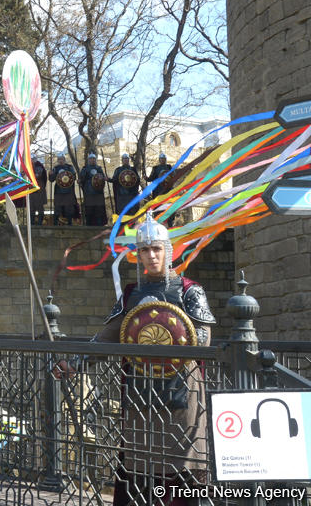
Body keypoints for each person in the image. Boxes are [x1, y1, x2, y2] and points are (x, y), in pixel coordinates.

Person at [58, 214, 215, 505]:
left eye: (157, 249)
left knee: (183, 467)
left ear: (168, 251)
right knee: (141, 465)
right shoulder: (131, 293)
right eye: (145, 250)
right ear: (138, 255)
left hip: (182, 392)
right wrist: (76, 363)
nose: (152, 255)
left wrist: (174, 347)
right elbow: (107, 337)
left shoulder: (190, 290)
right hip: (141, 393)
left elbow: (204, 336)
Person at [79, 153, 107, 226]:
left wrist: (105, 178)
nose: (92, 160)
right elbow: (82, 178)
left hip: (98, 192)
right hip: (89, 193)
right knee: (89, 210)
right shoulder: (85, 168)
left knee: (99, 210)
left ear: (96, 160)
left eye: (94, 159)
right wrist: (80, 180)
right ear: (88, 160)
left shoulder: (99, 168)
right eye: (91, 159)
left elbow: (103, 178)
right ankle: (89, 225)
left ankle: (99, 225)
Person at [50, 153, 78, 225]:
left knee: (69, 208)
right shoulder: (55, 168)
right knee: (57, 208)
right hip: (58, 191)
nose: (61, 161)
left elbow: (73, 177)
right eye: (59, 159)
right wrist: (51, 174)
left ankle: (70, 223)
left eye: (62, 159)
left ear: (64, 160)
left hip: (68, 191)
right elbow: (51, 179)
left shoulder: (70, 167)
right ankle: (55, 224)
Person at [29, 155, 48, 226]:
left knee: (39, 207)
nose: (31, 160)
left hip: (39, 190)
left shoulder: (39, 166)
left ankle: (40, 222)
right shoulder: (29, 166)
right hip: (31, 190)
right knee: (31, 207)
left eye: (32, 159)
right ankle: (32, 223)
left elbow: (37, 175)